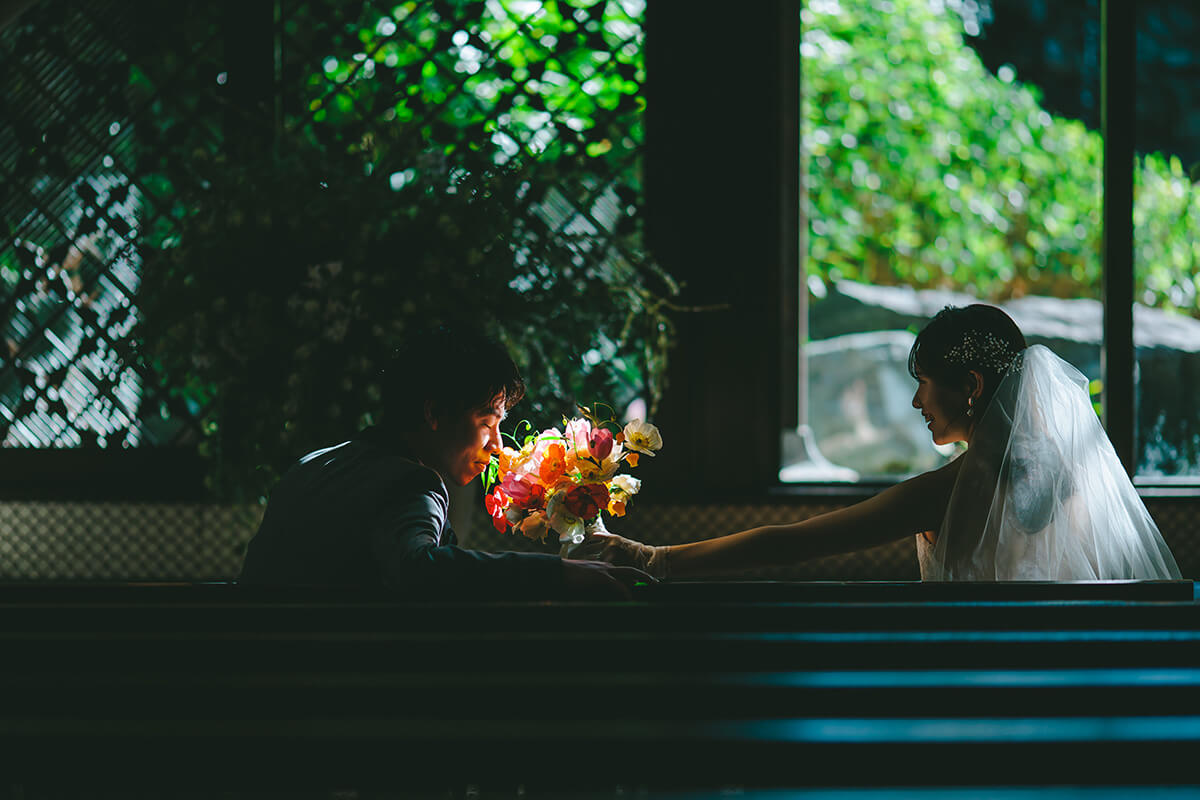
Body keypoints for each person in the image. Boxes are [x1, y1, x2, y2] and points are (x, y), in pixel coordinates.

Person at [578, 305, 1182, 582]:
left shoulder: (947, 492)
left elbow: (791, 544)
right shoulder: (1071, 477)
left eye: (923, 385)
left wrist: (652, 557)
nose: (918, 403)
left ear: (969, 387)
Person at [238, 326, 650, 598]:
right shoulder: (410, 483)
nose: (496, 445)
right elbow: (418, 567)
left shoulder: (312, 465)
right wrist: (560, 575)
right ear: (434, 413)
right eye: (486, 421)